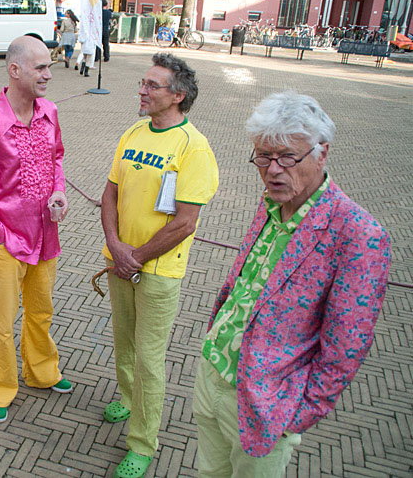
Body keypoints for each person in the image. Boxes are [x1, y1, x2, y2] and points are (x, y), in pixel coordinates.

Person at [193, 92, 391, 477]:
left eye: (287, 157)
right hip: (213, 371)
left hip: (268, 404)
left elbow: (344, 349)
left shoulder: (359, 234)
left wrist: (294, 414)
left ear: (322, 153)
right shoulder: (272, 201)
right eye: (263, 157)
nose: (273, 171)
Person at [101, 52, 219, 478]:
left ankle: (143, 443)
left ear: (178, 96)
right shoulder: (134, 131)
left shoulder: (194, 148)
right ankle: (129, 399)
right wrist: (115, 246)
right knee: (124, 341)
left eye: (152, 85)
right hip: (121, 262)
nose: (142, 90)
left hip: (157, 272)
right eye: (143, 83)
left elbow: (185, 222)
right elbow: (111, 192)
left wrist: (136, 258)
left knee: (150, 357)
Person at [0, 36, 72, 424]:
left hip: (46, 234)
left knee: (41, 311)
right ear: (15, 70)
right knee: (2, 320)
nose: (49, 75)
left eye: (49, 66)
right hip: (4, 238)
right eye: (40, 67)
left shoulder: (51, 113)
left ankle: (41, 370)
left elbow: (57, 159)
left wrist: (58, 192)